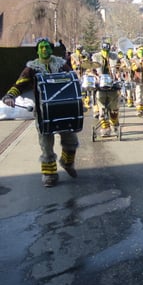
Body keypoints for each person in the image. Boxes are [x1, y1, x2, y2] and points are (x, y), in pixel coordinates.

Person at [2, 38, 79, 187]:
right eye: (41, 47)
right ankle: (49, 175)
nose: (44, 49)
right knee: (46, 145)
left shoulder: (61, 64)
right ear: (37, 50)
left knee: (71, 140)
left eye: (47, 47)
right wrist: (10, 96)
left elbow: (73, 80)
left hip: (63, 109)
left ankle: (67, 163)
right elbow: (19, 84)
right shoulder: (31, 68)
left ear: (51, 49)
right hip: (43, 112)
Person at [92, 42, 121, 137]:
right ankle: (105, 128)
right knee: (102, 110)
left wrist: (118, 75)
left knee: (114, 109)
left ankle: (114, 126)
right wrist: (95, 76)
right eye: (104, 50)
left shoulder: (115, 57)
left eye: (107, 51)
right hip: (100, 86)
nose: (106, 52)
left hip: (112, 85)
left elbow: (119, 68)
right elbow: (90, 70)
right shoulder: (95, 57)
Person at [130, 45, 143, 117]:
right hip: (138, 80)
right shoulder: (134, 59)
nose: (141, 52)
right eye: (139, 51)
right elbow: (134, 68)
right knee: (139, 95)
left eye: (142, 50)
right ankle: (139, 110)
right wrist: (140, 63)